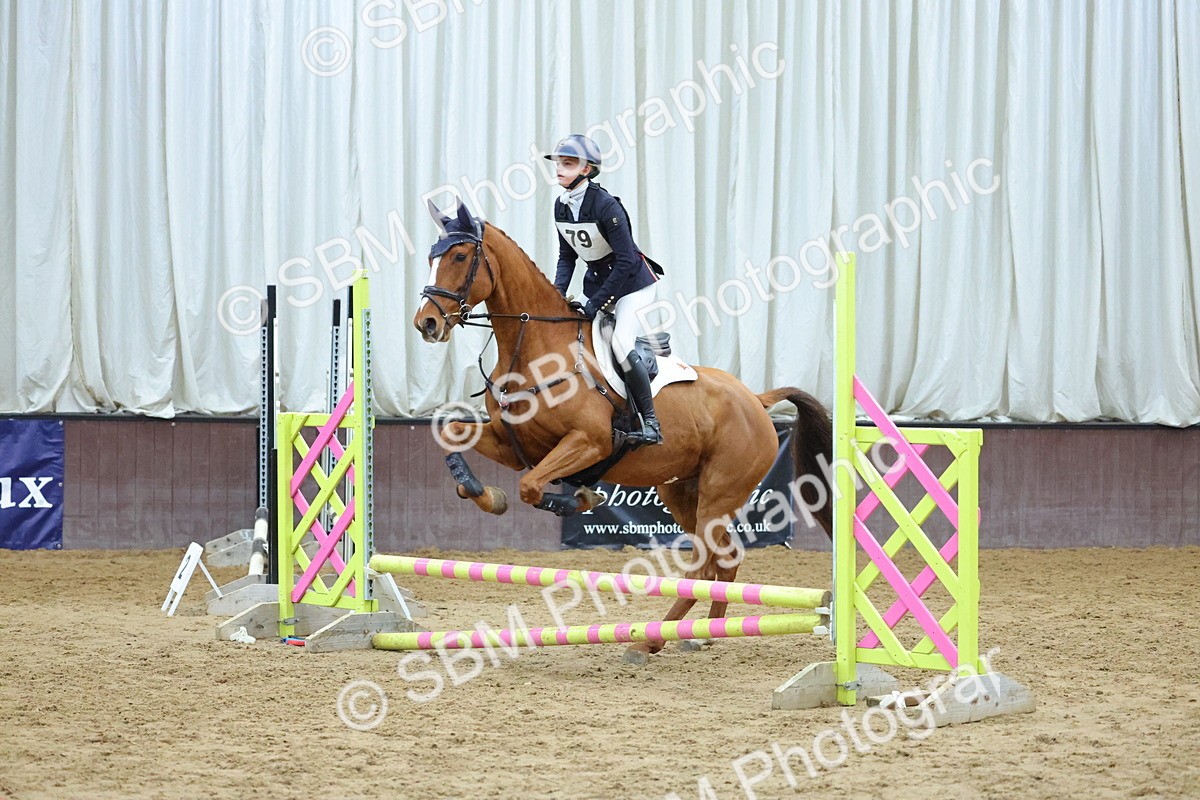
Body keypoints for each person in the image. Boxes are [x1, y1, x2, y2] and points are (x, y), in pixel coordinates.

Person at [545, 134, 665, 446]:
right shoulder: (561, 206)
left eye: (568, 164)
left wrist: (595, 303)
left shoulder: (606, 206)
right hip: (600, 284)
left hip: (633, 286)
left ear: (586, 170)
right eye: (559, 163)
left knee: (621, 344)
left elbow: (626, 261)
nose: (559, 168)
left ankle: (650, 422)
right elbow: (566, 256)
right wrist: (556, 295)